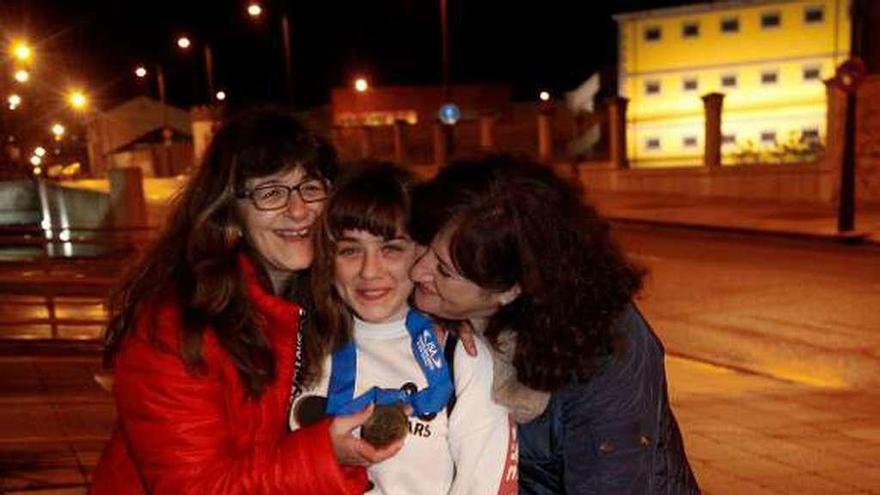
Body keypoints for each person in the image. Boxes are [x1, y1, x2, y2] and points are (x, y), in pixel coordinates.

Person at [89, 109, 401, 494]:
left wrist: (446, 328)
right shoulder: (174, 327)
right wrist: (324, 455)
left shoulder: (322, 296)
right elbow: (193, 489)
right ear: (229, 213)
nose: (299, 209)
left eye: (310, 187)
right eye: (270, 193)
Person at [409, 156, 699, 494]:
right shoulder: (444, 315)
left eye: (443, 270)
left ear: (509, 290)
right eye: (423, 246)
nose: (417, 271)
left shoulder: (605, 354)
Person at [292, 162, 517, 494]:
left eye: (391, 249)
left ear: (421, 251)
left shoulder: (460, 355)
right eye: (350, 250)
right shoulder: (296, 342)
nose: (370, 272)